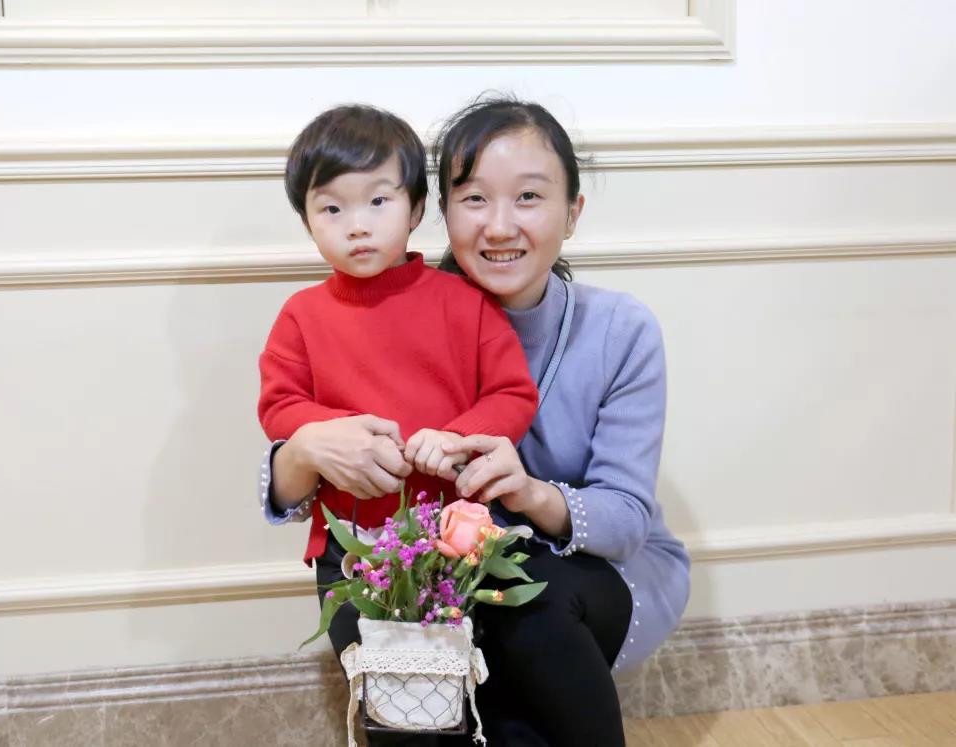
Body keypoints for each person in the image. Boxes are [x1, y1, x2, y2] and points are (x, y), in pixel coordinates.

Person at [261, 97, 690, 746]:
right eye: (473, 199)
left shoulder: (619, 329)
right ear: (439, 211)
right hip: (444, 562)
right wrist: (310, 444)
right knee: (436, 663)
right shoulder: (377, 305)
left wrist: (528, 492)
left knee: (526, 611)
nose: (498, 226)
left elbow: (626, 518)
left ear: (572, 213)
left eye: (527, 197)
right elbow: (286, 430)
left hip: (590, 572)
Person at [257, 104, 540, 694]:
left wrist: (459, 436)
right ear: (308, 221)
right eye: (331, 208)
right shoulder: (301, 316)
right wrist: (333, 432)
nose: (356, 225)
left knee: (462, 696)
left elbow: (513, 392)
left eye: (378, 202)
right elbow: (280, 407)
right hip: (350, 549)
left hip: (457, 542)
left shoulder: (464, 303)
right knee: (389, 702)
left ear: (415, 209)